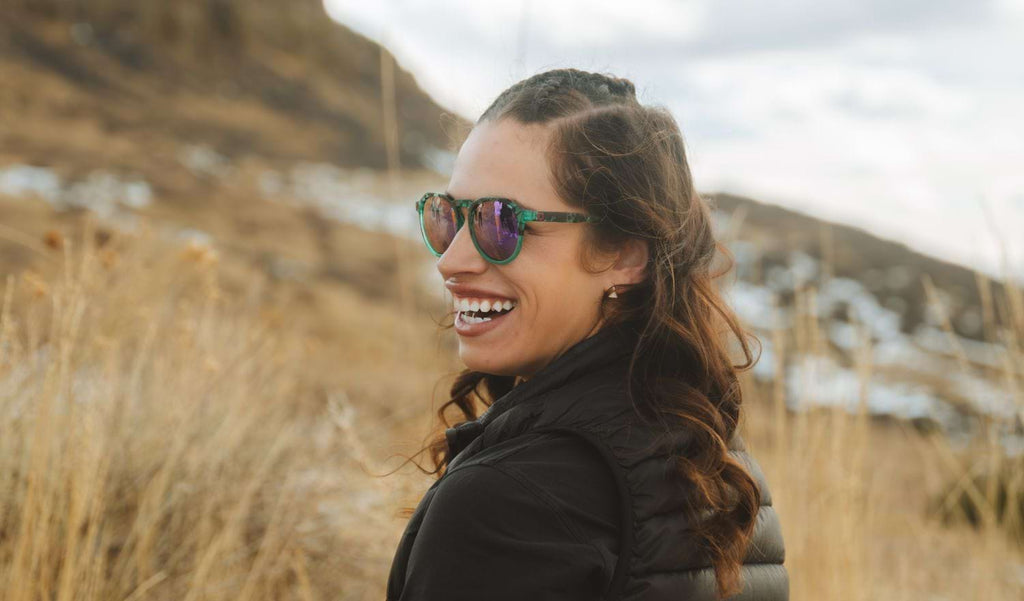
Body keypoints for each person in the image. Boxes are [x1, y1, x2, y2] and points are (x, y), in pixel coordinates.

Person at [386, 67, 788, 601]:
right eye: (449, 216)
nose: (452, 261)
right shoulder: (712, 458)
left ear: (625, 254)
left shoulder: (504, 502)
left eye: (501, 223)